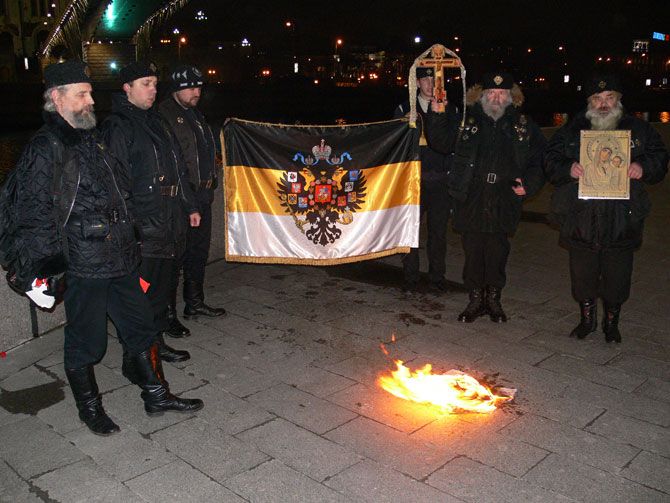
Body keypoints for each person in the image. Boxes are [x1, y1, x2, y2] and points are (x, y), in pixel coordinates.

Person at [12, 60, 203, 436]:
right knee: (87, 342)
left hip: (119, 257)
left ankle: (156, 395)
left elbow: (121, 190)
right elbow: (33, 212)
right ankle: (90, 408)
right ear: (57, 98)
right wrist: (47, 267)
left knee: (141, 326)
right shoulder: (45, 147)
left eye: (90, 92)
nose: (90, 100)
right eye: (81, 94)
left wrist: (131, 230)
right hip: (82, 263)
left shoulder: (92, 137)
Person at [545, 74, 668, 343]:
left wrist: (642, 167)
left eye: (609, 97)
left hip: (623, 217)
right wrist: (568, 168)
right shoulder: (571, 130)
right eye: (597, 99)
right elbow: (550, 162)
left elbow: (660, 157)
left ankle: (612, 322)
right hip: (581, 217)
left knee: (617, 277)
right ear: (589, 102)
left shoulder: (639, 129)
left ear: (619, 100)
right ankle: (586, 320)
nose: (603, 104)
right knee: (583, 275)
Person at [426, 72, 546, 322]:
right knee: (473, 251)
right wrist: (437, 113)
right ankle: (474, 300)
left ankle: (493, 299)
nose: (496, 97)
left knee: (497, 252)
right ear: (481, 96)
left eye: (502, 93)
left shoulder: (523, 124)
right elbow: (440, 142)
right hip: (471, 197)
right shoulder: (466, 121)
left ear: (511, 97)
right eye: (491, 93)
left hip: (504, 198)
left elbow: (540, 159)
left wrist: (531, 184)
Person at [102, 62, 199, 360]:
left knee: (162, 286)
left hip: (169, 218)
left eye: (155, 84)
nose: (153, 90)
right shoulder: (117, 125)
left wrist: (191, 205)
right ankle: (140, 350)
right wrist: (131, 227)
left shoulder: (157, 121)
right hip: (145, 223)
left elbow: (179, 166)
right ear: (127, 87)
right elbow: (115, 182)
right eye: (146, 83)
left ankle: (156, 343)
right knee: (141, 291)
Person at [159, 64, 227, 323]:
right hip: (181, 200)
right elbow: (173, 164)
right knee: (176, 258)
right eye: (190, 87)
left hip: (203, 196)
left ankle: (194, 303)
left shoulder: (196, 114)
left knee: (198, 253)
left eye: (199, 86)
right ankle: (168, 314)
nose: (196, 91)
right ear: (176, 87)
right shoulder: (165, 115)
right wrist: (188, 202)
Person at [394, 66, 459, 292]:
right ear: (417, 83)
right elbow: (395, 144)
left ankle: (437, 278)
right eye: (426, 80)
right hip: (413, 182)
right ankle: (410, 277)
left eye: (435, 80)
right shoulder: (405, 108)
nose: (431, 85)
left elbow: (455, 142)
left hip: (440, 180)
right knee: (410, 231)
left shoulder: (451, 109)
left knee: (438, 233)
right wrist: (404, 124)